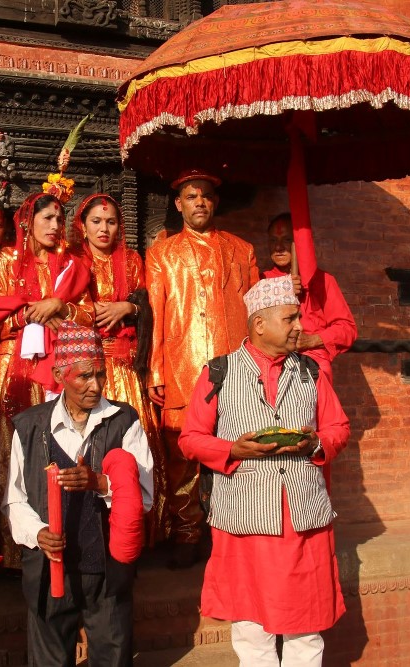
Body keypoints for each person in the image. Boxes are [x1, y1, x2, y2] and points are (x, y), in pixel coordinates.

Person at [179, 276, 350, 667]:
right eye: (290, 318)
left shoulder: (310, 371)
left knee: (306, 630)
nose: (300, 327)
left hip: (303, 517)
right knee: (251, 628)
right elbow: (190, 438)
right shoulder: (217, 372)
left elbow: (338, 428)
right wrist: (232, 449)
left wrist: (316, 443)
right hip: (244, 517)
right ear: (260, 323)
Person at [4, 322, 153, 667]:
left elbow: (144, 497)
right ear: (59, 374)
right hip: (49, 570)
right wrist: (38, 533)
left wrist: (99, 483)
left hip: (107, 571)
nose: (96, 386)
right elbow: (14, 499)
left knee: (112, 658)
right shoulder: (29, 427)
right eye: (84, 377)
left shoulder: (124, 421)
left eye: (100, 375)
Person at [145, 169, 259, 567]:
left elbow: (256, 315)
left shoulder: (241, 250)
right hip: (181, 361)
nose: (199, 203)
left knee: (238, 446)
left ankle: (237, 528)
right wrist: (155, 367)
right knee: (182, 453)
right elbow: (157, 312)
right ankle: (187, 531)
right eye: (191, 196)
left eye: (206, 196)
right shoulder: (163, 252)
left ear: (215, 202)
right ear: (179, 204)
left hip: (234, 367)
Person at [0, 192, 95, 566]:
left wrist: (62, 306)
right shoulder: (5, 260)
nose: (53, 226)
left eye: (59, 220)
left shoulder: (72, 264)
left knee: (55, 447)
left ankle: (60, 535)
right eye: (46, 219)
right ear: (27, 221)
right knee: (12, 447)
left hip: (58, 366)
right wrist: (31, 314)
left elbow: (85, 316)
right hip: (14, 364)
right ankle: (15, 549)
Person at [71, 193, 169, 544]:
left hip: (125, 366)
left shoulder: (130, 260)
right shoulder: (73, 260)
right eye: (96, 222)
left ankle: (138, 526)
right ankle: (90, 529)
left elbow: (149, 303)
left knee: (134, 442)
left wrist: (127, 306)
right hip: (87, 366)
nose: (104, 228)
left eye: (110, 222)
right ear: (83, 227)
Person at [264, 213, 357, 384]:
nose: (278, 247)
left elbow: (347, 330)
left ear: (299, 243)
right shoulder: (261, 280)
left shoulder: (322, 281)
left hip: (313, 370)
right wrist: (282, 288)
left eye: (286, 240)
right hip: (273, 372)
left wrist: (312, 340)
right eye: (273, 240)